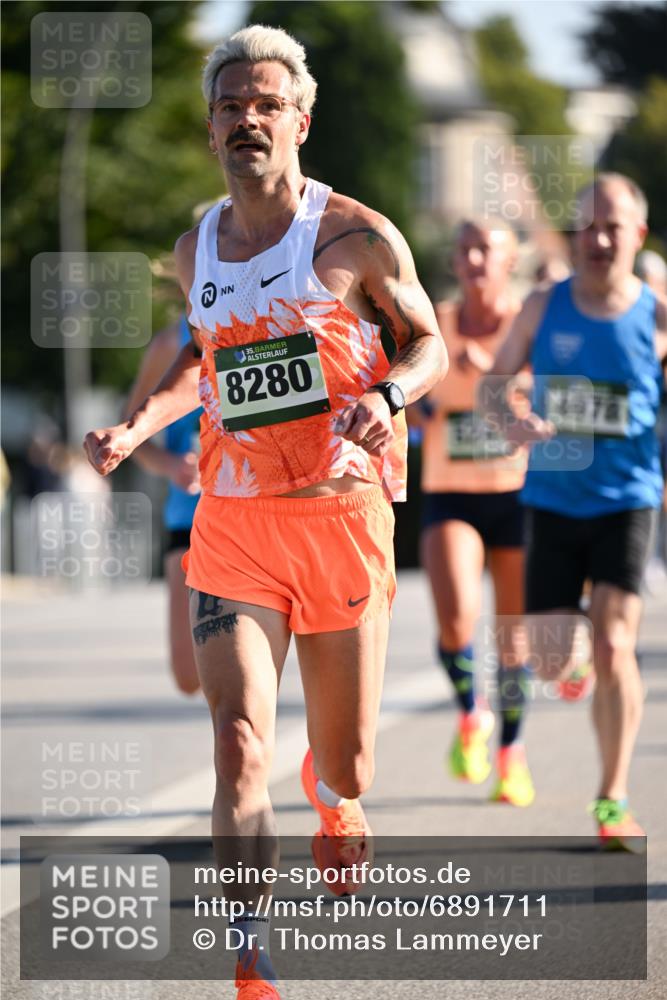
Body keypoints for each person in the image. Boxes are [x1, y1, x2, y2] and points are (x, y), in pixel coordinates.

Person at [83, 24, 447, 999]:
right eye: (231, 106)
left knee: (347, 758)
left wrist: (387, 397)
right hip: (235, 524)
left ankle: (334, 796)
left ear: (300, 121)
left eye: (266, 105)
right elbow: (201, 356)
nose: (248, 119)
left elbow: (429, 344)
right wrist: (137, 425)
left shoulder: (355, 236)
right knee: (238, 739)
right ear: (210, 128)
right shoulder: (194, 245)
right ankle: (251, 951)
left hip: (340, 519)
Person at [485, 173, 667, 851]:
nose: (598, 239)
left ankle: (612, 798)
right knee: (551, 664)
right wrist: (512, 420)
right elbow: (494, 384)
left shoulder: (656, 315)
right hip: (553, 501)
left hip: (627, 499)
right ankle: (580, 652)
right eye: (587, 226)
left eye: (611, 227)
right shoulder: (543, 304)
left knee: (617, 643)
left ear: (636, 235)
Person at [414, 219, 534, 807]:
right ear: (456, 262)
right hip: (451, 491)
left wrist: (490, 370)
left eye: (487, 248)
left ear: (510, 260)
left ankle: (511, 756)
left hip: (518, 494)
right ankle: (471, 713)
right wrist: (422, 405)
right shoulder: (434, 321)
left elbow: (550, 404)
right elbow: (404, 397)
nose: (476, 258)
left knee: (514, 639)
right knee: (457, 621)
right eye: (466, 249)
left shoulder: (528, 323)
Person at [123, 315, 202, 695]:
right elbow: (131, 430)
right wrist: (172, 465)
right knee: (188, 676)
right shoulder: (170, 344)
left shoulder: (271, 320)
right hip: (189, 516)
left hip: (258, 514)